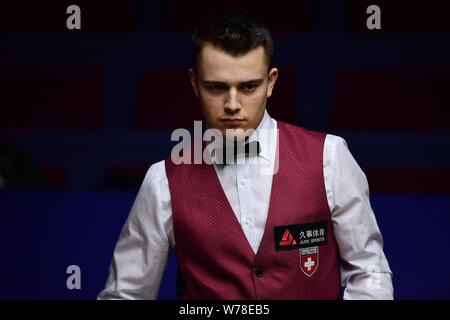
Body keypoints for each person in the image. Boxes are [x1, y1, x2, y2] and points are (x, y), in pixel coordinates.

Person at [97, 11, 393, 300]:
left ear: (271, 82)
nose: (232, 104)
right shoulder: (163, 180)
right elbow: (126, 294)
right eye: (217, 87)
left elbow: (369, 274)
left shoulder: (330, 158)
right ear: (194, 83)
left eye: (249, 86)